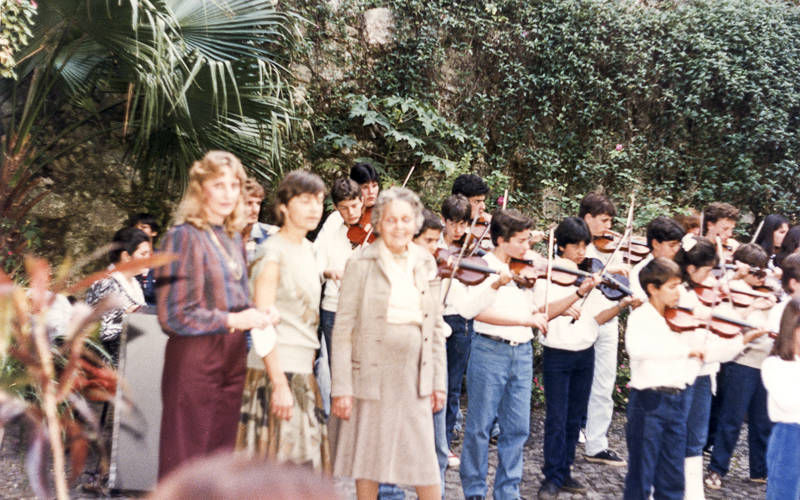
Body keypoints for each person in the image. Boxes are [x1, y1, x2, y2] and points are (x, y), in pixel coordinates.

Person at [154, 151, 276, 479]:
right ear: (200, 188)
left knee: (219, 464)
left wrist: (260, 313)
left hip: (232, 357)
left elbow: (235, 302)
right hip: (195, 358)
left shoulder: (232, 237)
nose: (228, 194)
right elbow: (172, 315)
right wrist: (232, 321)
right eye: (218, 185)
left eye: (234, 185)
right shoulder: (182, 236)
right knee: (186, 461)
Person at [330, 187, 447, 500]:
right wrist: (341, 387)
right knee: (368, 460)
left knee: (425, 463)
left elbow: (435, 327)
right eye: (391, 220)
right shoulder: (360, 262)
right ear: (379, 222)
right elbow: (343, 328)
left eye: (406, 220)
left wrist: (438, 382)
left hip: (414, 375)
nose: (399, 227)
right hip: (370, 374)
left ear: (415, 223)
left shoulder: (426, 261)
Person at [236, 170, 330, 471]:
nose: (314, 208)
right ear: (284, 207)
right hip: (274, 374)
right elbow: (262, 323)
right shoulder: (271, 252)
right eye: (305, 201)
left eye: (319, 201)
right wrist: (278, 385)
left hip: (303, 374)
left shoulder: (311, 251)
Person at [534, 217, 634, 498]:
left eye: (584, 246)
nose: (582, 252)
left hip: (585, 353)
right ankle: (551, 476)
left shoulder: (589, 274)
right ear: (561, 246)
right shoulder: (549, 274)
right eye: (576, 246)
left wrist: (621, 306)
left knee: (573, 418)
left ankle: (565, 471)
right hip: (557, 353)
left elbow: (597, 318)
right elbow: (543, 310)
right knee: (556, 417)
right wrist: (578, 292)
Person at [457, 209, 549, 500]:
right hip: (490, 350)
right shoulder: (482, 267)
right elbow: (472, 312)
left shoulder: (525, 268)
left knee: (518, 428)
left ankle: (508, 492)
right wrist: (499, 286)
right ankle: (474, 491)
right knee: (480, 426)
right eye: (521, 240)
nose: (527, 246)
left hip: (522, 352)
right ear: (500, 240)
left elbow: (533, 308)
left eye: (528, 240)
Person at [673, 237, 767, 499]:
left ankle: (693, 492)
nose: (712, 279)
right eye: (707, 272)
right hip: (684, 373)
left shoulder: (714, 291)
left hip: (707, 372)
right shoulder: (682, 293)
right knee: (678, 433)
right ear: (691, 269)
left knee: (697, 438)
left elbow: (723, 331)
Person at [624, 257, 705, 500]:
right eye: (672, 286)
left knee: (672, 477)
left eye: (679, 285)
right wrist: (685, 351)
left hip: (676, 401)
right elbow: (637, 349)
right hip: (649, 401)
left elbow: (704, 351)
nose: (678, 292)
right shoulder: (641, 317)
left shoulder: (680, 318)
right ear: (652, 288)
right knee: (641, 475)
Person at [706, 243, 776, 489]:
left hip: (765, 362)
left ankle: (760, 470)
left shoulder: (769, 290)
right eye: (755, 271)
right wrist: (753, 307)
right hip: (742, 361)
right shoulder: (733, 289)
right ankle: (717, 469)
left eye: (763, 271)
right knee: (731, 418)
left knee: (762, 421)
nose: (761, 277)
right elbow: (728, 324)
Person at [579, 192, 629, 467]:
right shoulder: (574, 243)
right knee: (577, 384)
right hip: (580, 319)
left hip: (608, 318)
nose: (608, 227)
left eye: (611, 221)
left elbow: (620, 283)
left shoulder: (612, 247)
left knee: (604, 384)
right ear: (587, 218)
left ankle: (597, 444)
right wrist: (612, 270)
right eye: (603, 220)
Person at [413, 208, 450, 497]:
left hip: (432, 359)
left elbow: (436, 327)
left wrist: (438, 382)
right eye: (429, 241)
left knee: (437, 442)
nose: (436, 248)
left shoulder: (435, 272)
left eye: (438, 240)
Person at [438, 194, 474, 462]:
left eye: (464, 224)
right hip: (436, 317)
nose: (459, 230)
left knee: (452, 387)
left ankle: (445, 443)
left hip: (460, 320)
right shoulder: (433, 246)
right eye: (454, 223)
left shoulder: (471, 250)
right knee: (432, 384)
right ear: (443, 220)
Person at [85, 226, 152, 365]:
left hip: (133, 362)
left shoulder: (135, 284)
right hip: (108, 367)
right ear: (126, 256)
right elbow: (100, 333)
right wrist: (129, 318)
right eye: (143, 254)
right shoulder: (106, 284)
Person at [762, 298, 800, 500]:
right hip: (790, 436)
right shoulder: (775, 365)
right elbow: (788, 404)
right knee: (785, 493)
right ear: (791, 329)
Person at [630, 216, 685, 300]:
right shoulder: (639, 271)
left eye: (679, 245)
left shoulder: (679, 264)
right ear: (655, 244)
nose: (677, 249)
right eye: (672, 245)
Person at [242, 176, 279, 264]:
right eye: (249, 203)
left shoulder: (272, 235)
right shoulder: (222, 236)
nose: (255, 209)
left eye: (258, 203)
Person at [129, 213, 161, 306]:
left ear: (154, 232)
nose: (139, 231)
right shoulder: (125, 258)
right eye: (135, 228)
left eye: (144, 227)